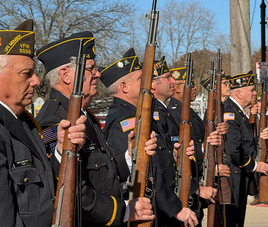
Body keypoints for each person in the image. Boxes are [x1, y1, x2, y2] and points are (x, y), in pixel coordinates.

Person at [0, 20, 86, 227]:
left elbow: (46, 186)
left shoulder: (21, 121)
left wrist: (61, 151)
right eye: (26, 73)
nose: (36, 81)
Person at [35, 32, 156, 226]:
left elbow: (105, 172)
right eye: (91, 69)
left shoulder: (84, 115)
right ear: (66, 75)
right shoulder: (55, 121)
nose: (98, 74)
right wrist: (123, 210)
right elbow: (70, 189)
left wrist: (131, 154)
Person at [101, 48, 202, 227]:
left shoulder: (138, 114)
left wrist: (175, 157)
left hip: (159, 207)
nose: (149, 84)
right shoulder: (125, 119)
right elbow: (146, 169)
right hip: (149, 210)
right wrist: (175, 208)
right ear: (124, 87)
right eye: (141, 79)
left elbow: (159, 159)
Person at [152, 59, 223, 224]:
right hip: (178, 193)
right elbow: (163, 163)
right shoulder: (169, 113)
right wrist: (195, 187)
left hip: (191, 181)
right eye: (189, 84)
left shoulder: (174, 112)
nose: (195, 87)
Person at [223, 72, 268, 227]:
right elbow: (234, 150)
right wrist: (256, 166)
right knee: (232, 222)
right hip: (233, 179)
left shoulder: (238, 113)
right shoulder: (230, 113)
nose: (255, 93)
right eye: (251, 90)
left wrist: (260, 137)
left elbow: (245, 143)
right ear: (239, 93)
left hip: (239, 177)